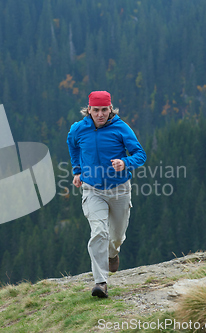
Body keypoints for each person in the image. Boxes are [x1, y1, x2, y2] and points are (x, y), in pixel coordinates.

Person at [67, 91, 147, 298]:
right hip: (93, 190)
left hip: (120, 189)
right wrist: (77, 170)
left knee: (117, 236)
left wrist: (125, 162)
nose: (100, 114)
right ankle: (100, 282)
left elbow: (140, 154)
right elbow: (72, 145)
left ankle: (113, 253)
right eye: (96, 110)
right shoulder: (78, 129)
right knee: (99, 232)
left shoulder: (121, 128)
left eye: (104, 110)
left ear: (110, 109)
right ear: (89, 109)